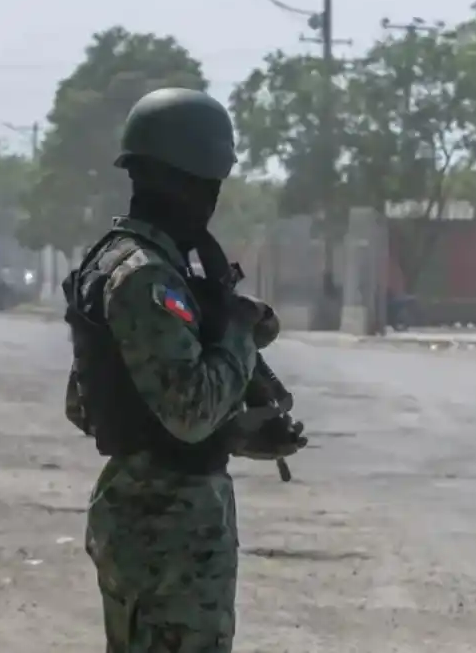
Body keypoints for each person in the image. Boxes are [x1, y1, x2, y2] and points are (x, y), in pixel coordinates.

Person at [63, 87, 302, 652]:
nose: (212, 201)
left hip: (147, 514)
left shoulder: (117, 260)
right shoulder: (147, 277)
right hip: (167, 530)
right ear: (185, 181)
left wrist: (240, 432)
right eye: (209, 185)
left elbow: (92, 403)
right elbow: (189, 413)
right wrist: (240, 334)